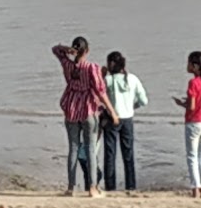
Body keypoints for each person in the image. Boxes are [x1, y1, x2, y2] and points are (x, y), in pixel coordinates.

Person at [53, 37, 118, 197]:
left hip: (71, 107)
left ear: (75, 51)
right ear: (87, 51)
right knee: (90, 149)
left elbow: (55, 49)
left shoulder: (68, 65)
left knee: (73, 148)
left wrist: (66, 49)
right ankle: (92, 187)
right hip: (88, 108)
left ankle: (71, 187)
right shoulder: (91, 68)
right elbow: (100, 92)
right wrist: (112, 112)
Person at [100, 51, 147, 193]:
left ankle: (110, 186)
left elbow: (97, 91)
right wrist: (132, 106)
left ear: (111, 64)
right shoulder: (132, 79)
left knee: (110, 154)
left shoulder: (108, 80)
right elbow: (144, 101)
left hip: (112, 118)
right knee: (128, 154)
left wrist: (102, 74)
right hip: (128, 118)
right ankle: (131, 185)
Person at [173, 50, 201, 198]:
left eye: (189, 63)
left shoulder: (193, 82)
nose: (187, 66)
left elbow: (191, 106)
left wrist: (181, 104)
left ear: (195, 66)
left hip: (193, 122)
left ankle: (195, 189)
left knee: (192, 157)